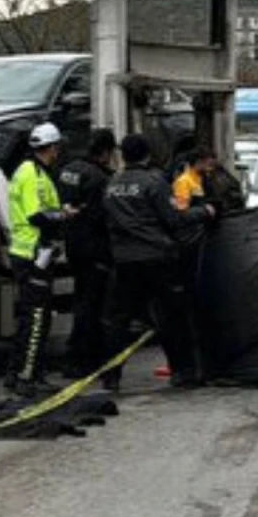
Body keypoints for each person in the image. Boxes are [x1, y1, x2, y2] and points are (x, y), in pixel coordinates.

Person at [101, 134, 212, 390]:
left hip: (124, 261)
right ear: (147, 155)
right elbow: (174, 218)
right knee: (171, 316)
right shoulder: (154, 182)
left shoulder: (111, 184)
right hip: (156, 258)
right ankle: (183, 372)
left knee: (118, 320)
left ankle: (110, 375)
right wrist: (203, 212)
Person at [7, 122, 75, 397]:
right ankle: (27, 377)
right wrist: (64, 215)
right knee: (36, 318)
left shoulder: (35, 172)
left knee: (33, 316)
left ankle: (19, 373)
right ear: (53, 147)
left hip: (34, 253)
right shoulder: (32, 175)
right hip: (32, 254)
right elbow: (37, 215)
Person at [56, 129, 116, 379]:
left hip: (73, 244)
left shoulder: (68, 170)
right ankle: (83, 359)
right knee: (93, 305)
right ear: (105, 152)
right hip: (95, 248)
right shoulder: (99, 178)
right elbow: (102, 216)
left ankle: (77, 357)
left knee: (82, 299)